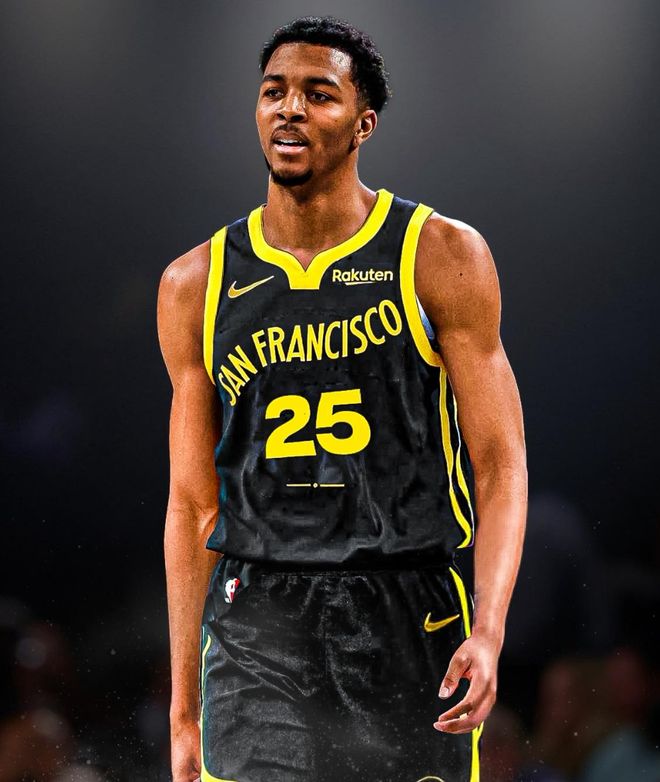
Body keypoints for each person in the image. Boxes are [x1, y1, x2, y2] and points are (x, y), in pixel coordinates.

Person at [157, 15, 527, 782]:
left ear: (364, 124)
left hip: (405, 598)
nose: (290, 108)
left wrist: (489, 628)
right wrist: (184, 705)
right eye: (274, 92)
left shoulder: (439, 254)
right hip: (259, 614)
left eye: (318, 94)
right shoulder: (197, 283)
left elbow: (500, 465)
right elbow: (192, 506)